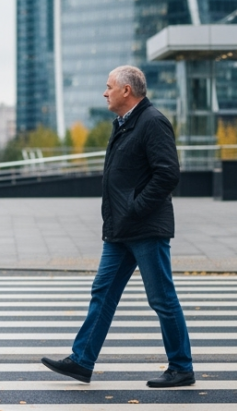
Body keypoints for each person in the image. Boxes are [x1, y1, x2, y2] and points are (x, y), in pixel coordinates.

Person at [42, 65, 193, 388]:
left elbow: (168, 174)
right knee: (103, 292)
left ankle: (181, 366)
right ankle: (82, 360)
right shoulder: (125, 123)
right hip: (121, 229)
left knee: (162, 298)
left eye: (109, 86)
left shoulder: (152, 122)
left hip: (145, 227)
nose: (104, 92)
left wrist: (136, 209)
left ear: (127, 91)